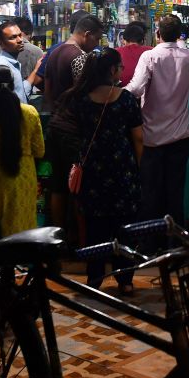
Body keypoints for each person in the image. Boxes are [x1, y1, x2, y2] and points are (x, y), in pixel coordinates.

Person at [58, 48, 144, 294]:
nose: (122, 71)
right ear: (112, 70)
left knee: (95, 227)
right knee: (125, 227)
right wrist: (138, 168)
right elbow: (138, 137)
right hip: (122, 168)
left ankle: (94, 278)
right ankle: (125, 280)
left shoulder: (80, 99)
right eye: (120, 67)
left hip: (93, 168)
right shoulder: (125, 99)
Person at [125, 14, 189, 225]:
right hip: (181, 137)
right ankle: (176, 244)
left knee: (152, 194)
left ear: (157, 34)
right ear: (179, 35)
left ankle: (151, 243)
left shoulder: (150, 56)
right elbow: (179, 46)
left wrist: (118, 93)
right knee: (175, 193)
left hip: (153, 137)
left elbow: (136, 89)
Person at [43, 14, 105, 227]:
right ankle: (80, 238)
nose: (96, 44)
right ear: (87, 35)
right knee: (79, 184)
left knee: (58, 184)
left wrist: (57, 110)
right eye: (96, 39)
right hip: (73, 129)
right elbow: (85, 95)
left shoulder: (54, 52)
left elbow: (47, 91)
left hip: (55, 125)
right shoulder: (79, 57)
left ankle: (58, 235)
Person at [0, 65, 45, 243]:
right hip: (26, 178)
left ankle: (4, 267)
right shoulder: (31, 113)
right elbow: (40, 151)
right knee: (24, 224)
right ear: (14, 85)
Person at [0, 21, 41, 103]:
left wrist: (35, 70)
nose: (20, 40)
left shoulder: (12, 63)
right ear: (0, 43)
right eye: (13, 37)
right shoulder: (2, 66)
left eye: (20, 35)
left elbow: (19, 91)